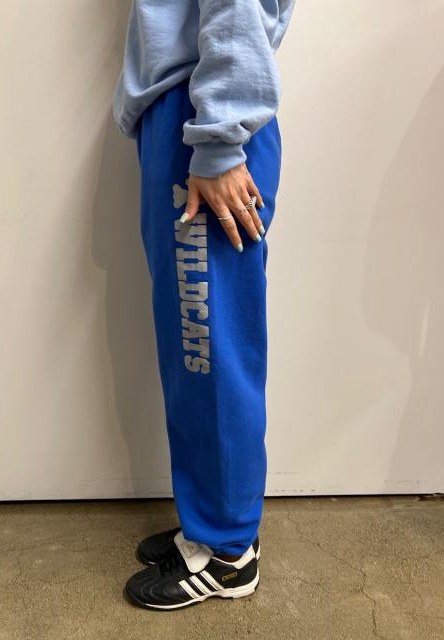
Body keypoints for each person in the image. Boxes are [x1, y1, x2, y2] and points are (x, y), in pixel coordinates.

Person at [112, 0, 295, 611]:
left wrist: (219, 138)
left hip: (206, 122)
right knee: (192, 350)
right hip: (187, 113)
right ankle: (207, 523)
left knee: (209, 351)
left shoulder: (212, 126)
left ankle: (228, 553)